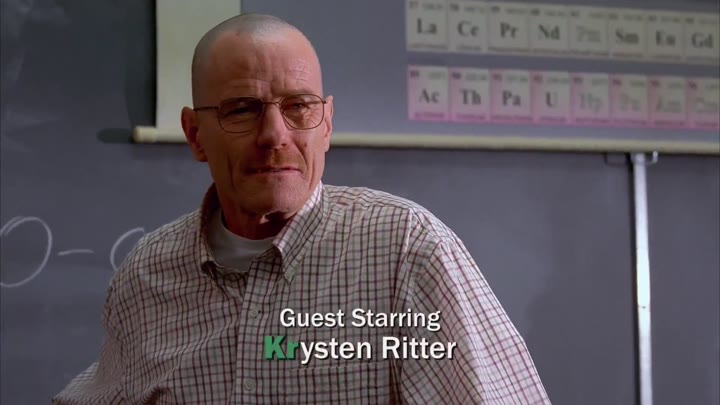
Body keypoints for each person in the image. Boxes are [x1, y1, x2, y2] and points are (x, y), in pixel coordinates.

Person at [54, 13, 550, 404]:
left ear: (326, 126)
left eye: (299, 107)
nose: (275, 135)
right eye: (242, 109)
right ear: (195, 134)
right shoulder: (149, 275)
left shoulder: (406, 252)